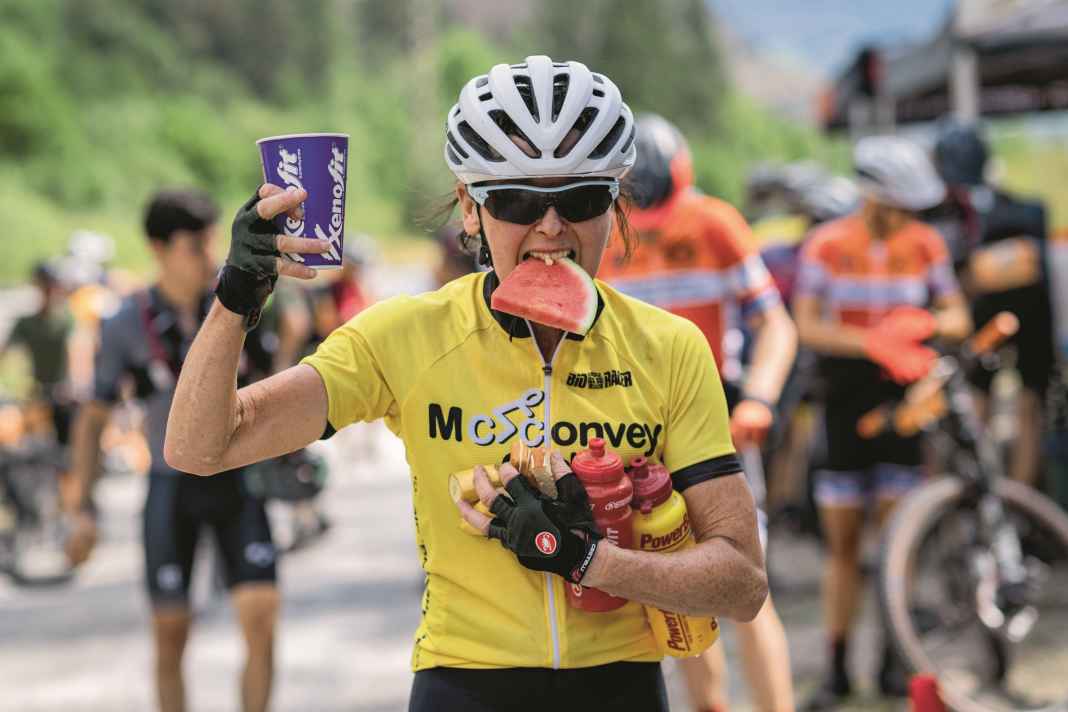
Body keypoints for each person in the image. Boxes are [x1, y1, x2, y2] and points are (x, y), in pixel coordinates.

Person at [163, 55, 768, 711]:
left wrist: (587, 558)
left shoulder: (669, 347)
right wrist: (236, 296)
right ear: (469, 209)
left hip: (619, 684)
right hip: (465, 682)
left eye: (582, 198)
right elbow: (200, 447)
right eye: (515, 200)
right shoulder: (405, 334)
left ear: (616, 204)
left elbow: (742, 582)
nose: (551, 227)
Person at [598, 114, 797, 712]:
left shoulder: (715, 223)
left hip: (717, 426)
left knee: (745, 587)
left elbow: (775, 324)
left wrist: (760, 397)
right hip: (635, 437)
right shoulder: (602, 230)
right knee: (676, 592)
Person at [64, 189, 280, 712]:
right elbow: (93, 420)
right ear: (157, 248)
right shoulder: (124, 323)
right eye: (193, 245)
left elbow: (279, 382)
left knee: (261, 620)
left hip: (237, 480)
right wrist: (80, 507)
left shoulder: (237, 301)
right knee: (170, 635)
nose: (208, 254)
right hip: (170, 487)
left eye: (211, 241)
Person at [794, 136, 972, 708]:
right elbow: (807, 325)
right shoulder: (826, 244)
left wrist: (918, 324)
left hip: (903, 403)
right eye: (902, 208)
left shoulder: (924, 244)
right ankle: (840, 666)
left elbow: (958, 314)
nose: (910, 219)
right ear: (875, 199)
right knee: (844, 545)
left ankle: (893, 661)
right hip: (844, 402)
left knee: (898, 538)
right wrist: (871, 341)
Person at [927, 120, 1055, 488]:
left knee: (996, 405)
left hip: (1005, 316)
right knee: (1013, 407)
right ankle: (1007, 503)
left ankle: (996, 501)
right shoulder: (1020, 210)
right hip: (1022, 315)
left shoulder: (957, 212)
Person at [1, 261, 76, 450]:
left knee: (65, 447)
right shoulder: (27, 323)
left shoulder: (66, 320)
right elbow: (7, 351)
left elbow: (78, 352)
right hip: (37, 392)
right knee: (31, 447)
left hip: (63, 392)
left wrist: (73, 384)